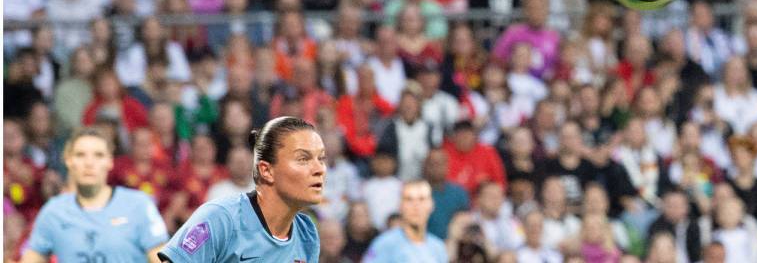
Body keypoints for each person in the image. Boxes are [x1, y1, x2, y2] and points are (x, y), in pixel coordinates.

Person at [158, 116, 324, 262]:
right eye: (303, 159)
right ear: (266, 171)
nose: (319, 169)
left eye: (321, 158)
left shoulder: (307, 232)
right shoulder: (220, 218)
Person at [22, 129, 170, 263]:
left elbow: (160, 257)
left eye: (98, 155)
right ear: (68, 161)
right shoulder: (53, 211)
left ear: (110, 161)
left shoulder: (139, 205)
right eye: (80, 155)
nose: (89, 163)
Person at [362, 180, 447, 262]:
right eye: (409, 199)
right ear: (400, 205)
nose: (416, 206)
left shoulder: (438, 248)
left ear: (431, 204)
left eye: (422, 199)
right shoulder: (384, 245)